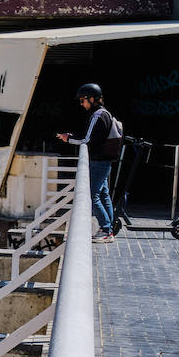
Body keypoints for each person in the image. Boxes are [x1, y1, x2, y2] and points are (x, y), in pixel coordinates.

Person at [58, 82, 121, 243]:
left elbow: (87, 139)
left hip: (99, 161)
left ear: (91, 99)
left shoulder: (97, 115)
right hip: (105, 161)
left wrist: (68, 139)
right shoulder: (105, 113)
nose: (81, 104)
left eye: (82, 100)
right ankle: (109, 229)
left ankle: (106, 230)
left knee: (93, 195)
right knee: (104, 194)